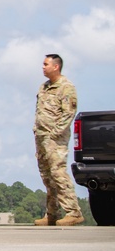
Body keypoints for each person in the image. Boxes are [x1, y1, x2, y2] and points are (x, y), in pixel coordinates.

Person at [33, 54, 83, 226]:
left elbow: (68, 113)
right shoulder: (44, 87)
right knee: (47, 176)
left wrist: (55, 133)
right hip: (42, 137)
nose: (43, 67)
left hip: (55, 138)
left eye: (46, 64)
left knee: (58, 173)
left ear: (56, 66)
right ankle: (52, 214)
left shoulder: (66, 87)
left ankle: (73, 212)